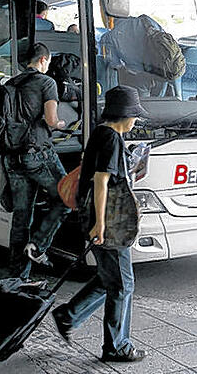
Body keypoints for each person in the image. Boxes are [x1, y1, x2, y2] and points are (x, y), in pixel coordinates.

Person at [52, 86, 148, 363]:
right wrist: (100, 224)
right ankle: (117, 346)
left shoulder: (100, 133)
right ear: (124, 115)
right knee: (122, 285)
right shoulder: (111, 139)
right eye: (134, 116)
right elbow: (101, 181)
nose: (135, 122)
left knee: (109, 278)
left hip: (100, 219)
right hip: (110, 223)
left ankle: (69, 316)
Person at [3, 42, 70, 279]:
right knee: (67, 197)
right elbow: (51, 120)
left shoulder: (11, 84)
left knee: (21, 217)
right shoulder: (46, 82)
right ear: (43, 60)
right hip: (38, 155)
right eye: (48, 62)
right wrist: (62, 124)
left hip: (12, 158)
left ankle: (18, 277)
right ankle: (38, 246)